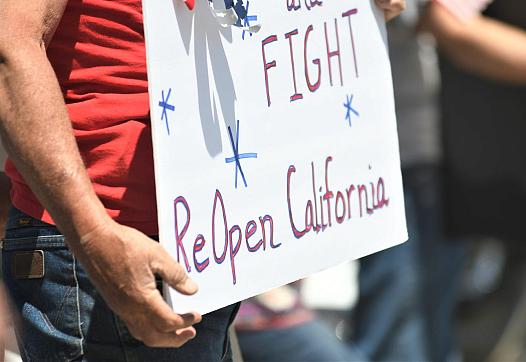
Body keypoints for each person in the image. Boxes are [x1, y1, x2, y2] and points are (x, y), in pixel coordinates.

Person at [0, 1, 406, 361]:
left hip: (202, 247)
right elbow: (10, 45)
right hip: (107, 255)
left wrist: (347, 10)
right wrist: (92, 236)